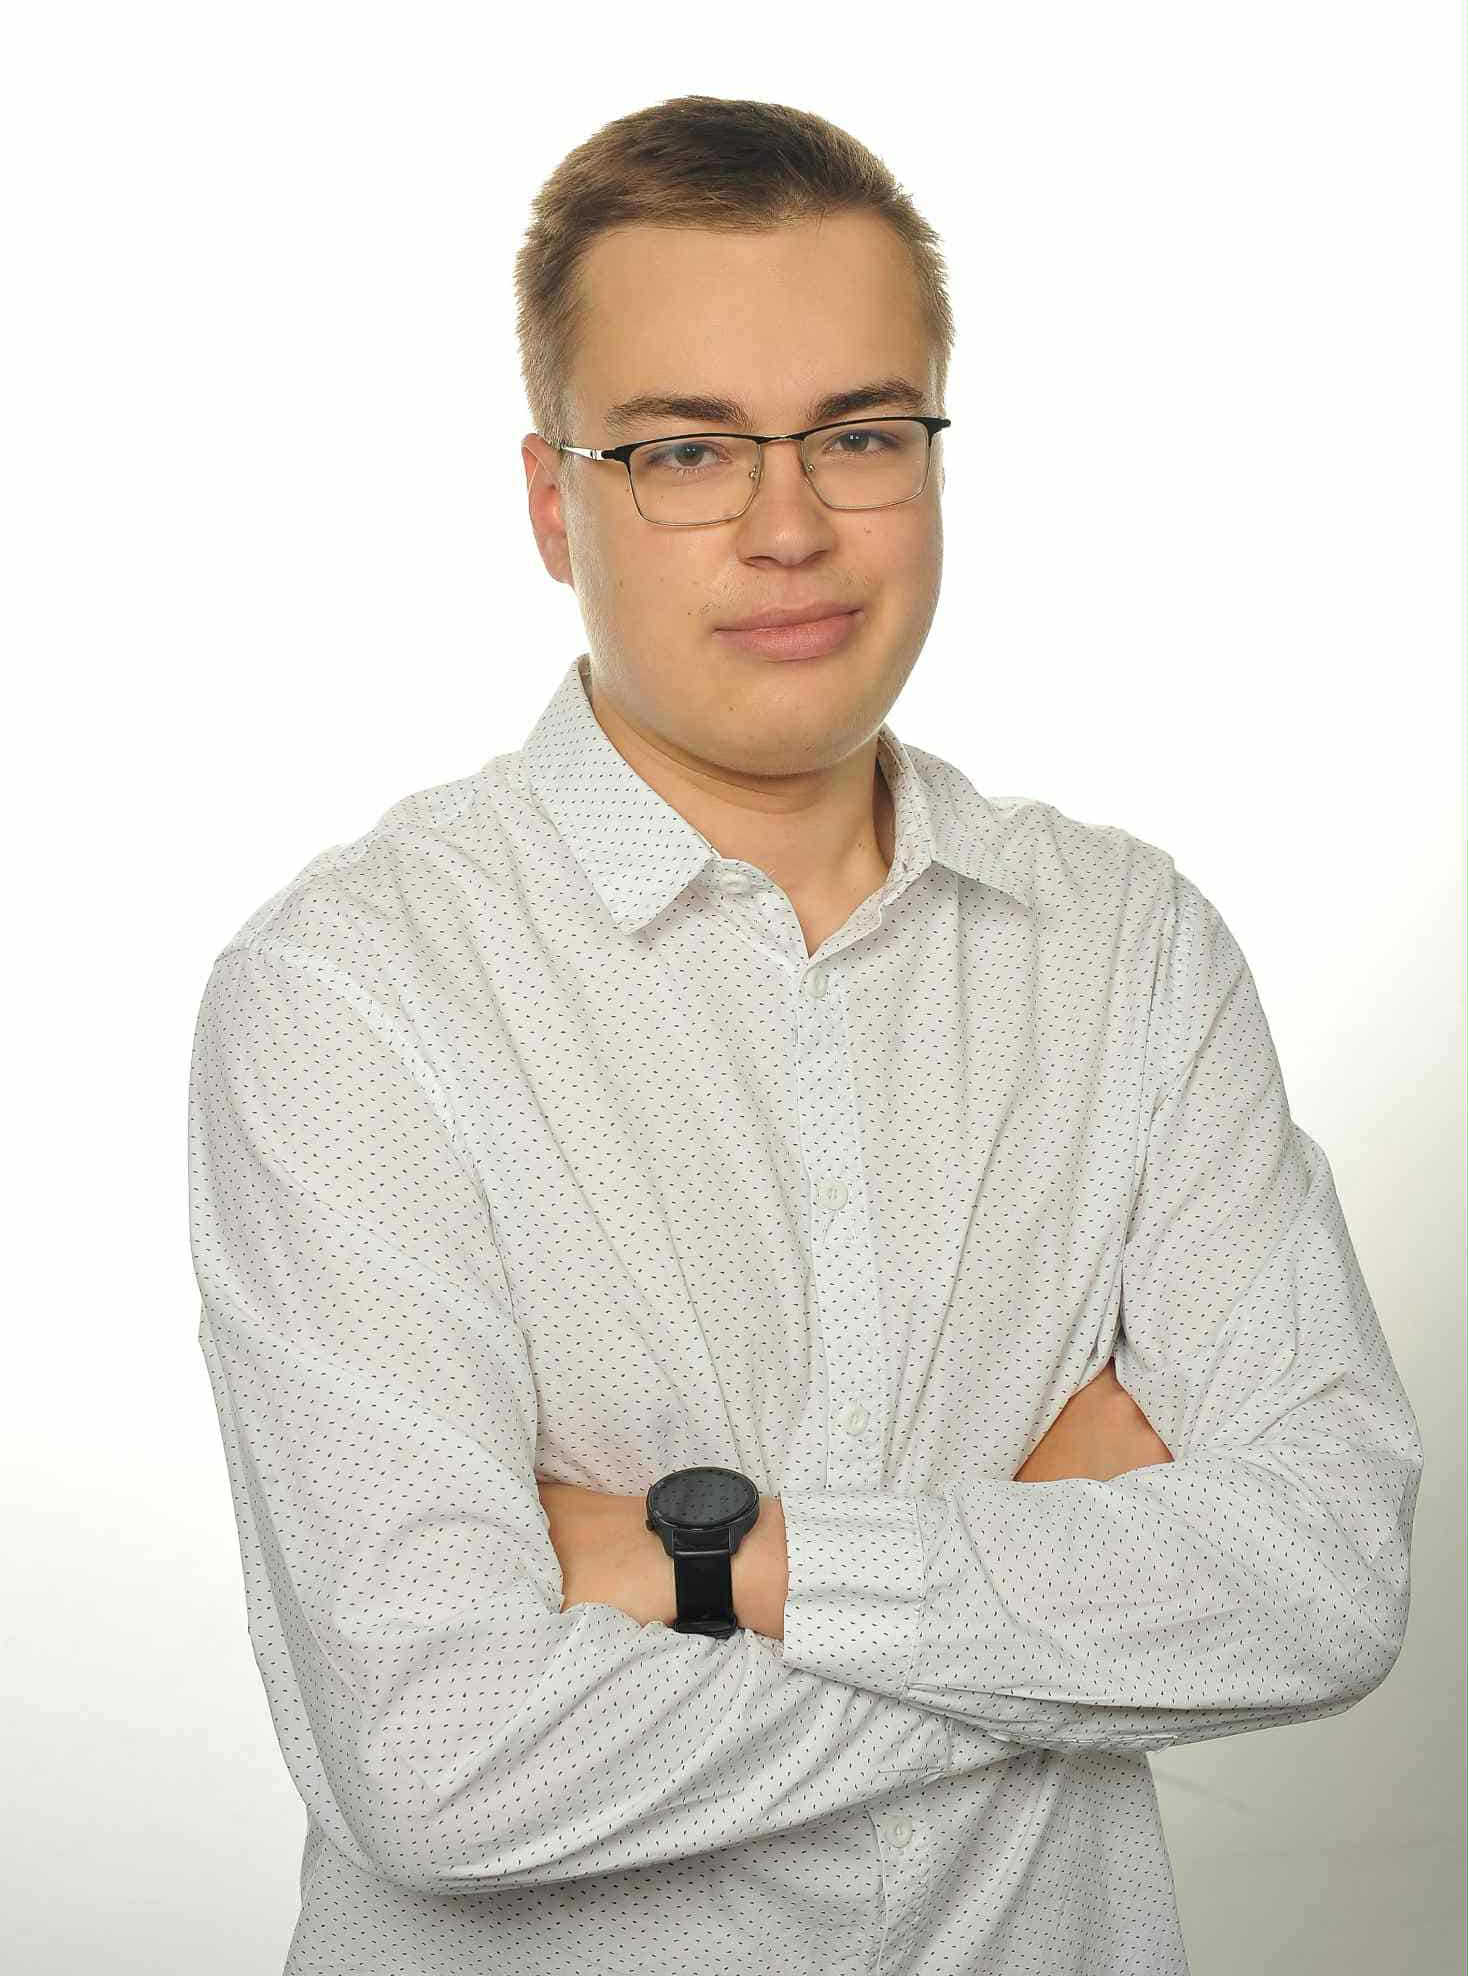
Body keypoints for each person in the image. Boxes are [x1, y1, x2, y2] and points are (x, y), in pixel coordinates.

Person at [188, 95, 1424, 1976]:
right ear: (553, 504)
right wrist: (1050, 1575)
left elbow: (1325, 1576)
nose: (790, 527)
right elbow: (441, 1760)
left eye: (859, 435)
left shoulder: (1132, 955)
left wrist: (727, 1558)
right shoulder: (352, 994)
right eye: (685, 450)